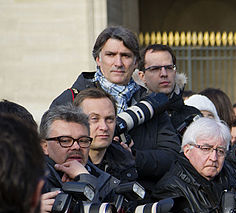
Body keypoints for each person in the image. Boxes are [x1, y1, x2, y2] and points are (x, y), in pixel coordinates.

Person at [51, 26, 180, 187]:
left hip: (139, 201)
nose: (118, 63)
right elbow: (52, 152)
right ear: (98, 59)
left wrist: (134, 157)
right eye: (111, 55)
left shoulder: (150, 104)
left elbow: (171, 157)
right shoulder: (70, 99)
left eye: (125, 56)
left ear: (135, 62)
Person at [38, 105, 158, 213]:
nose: (76, 147)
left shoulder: (105, 180)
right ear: (44, 146)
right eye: (65, 140)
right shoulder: (30, 181)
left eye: (83, 140)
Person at [73, 88, 138, 182]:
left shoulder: (124, 161)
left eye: (109, 119)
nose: (104, 127)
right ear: (76, 122)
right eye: (94, 119)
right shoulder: (62, 163)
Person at [137, 43, 201, 136]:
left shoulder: (192, 115)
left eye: (169, 68)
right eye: (155, 69)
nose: (164, 73)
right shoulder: (134, 114)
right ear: (142, 76)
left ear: (175, 71)